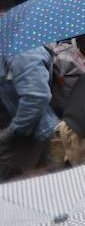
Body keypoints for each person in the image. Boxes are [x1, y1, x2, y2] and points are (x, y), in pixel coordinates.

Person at [0, 39, 59, 181]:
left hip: (33, 138)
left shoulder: (20, 50)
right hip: (22, 138)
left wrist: (12, 132)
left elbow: (36, 98)